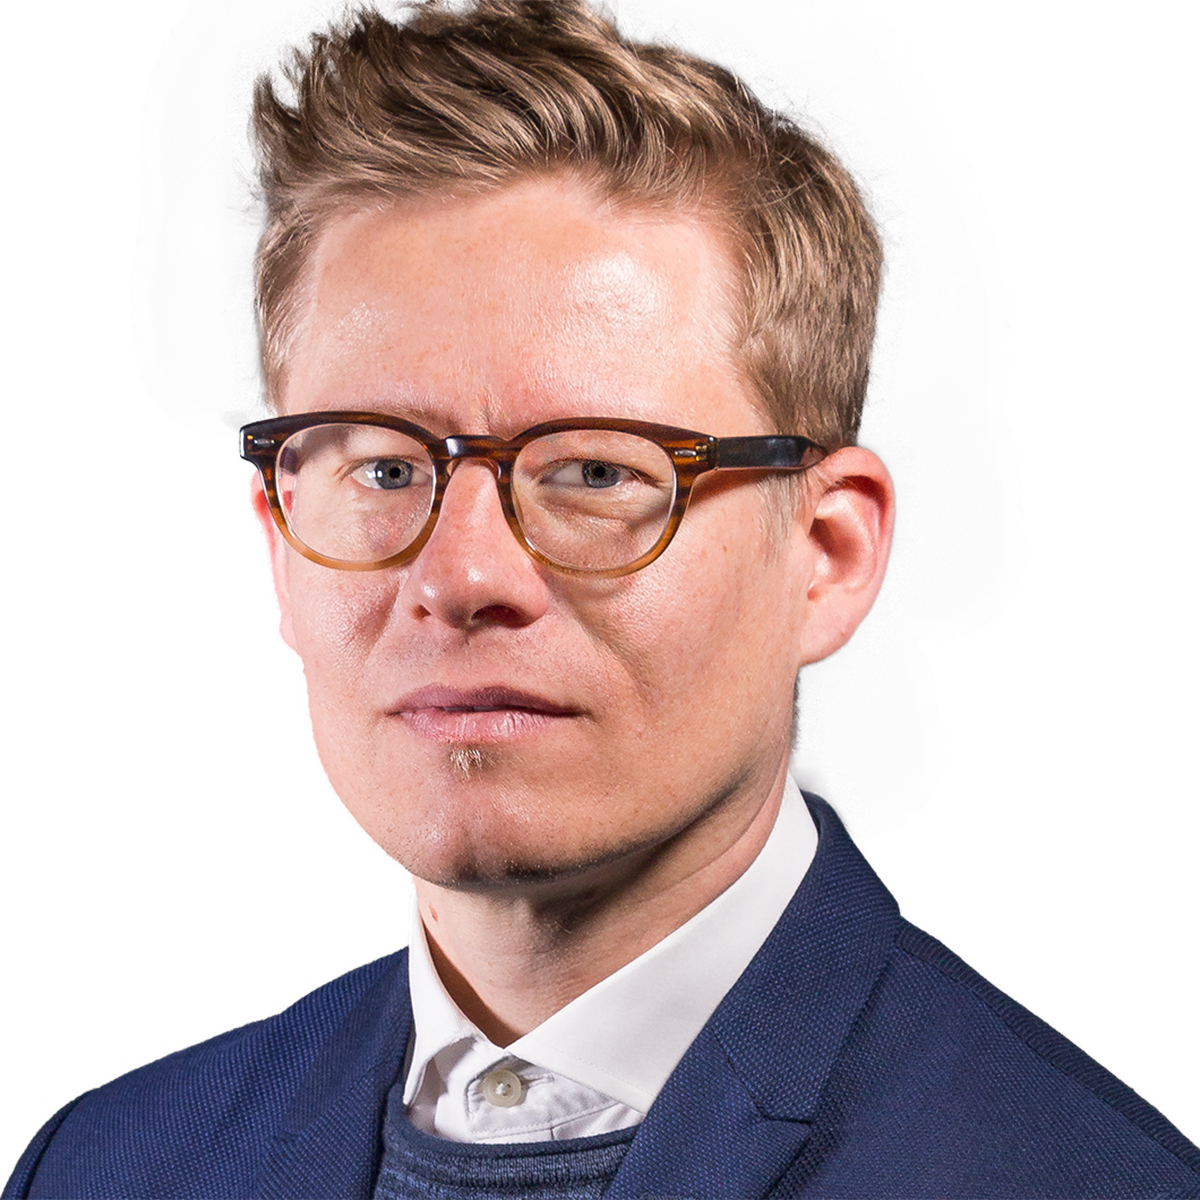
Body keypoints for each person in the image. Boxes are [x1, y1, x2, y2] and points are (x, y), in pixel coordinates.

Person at [4, 2, 1198, 1197]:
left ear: (826, 556)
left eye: (594, 473)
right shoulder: (102, 1169)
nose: (462, 577)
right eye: (383, 470)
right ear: (279, 547)